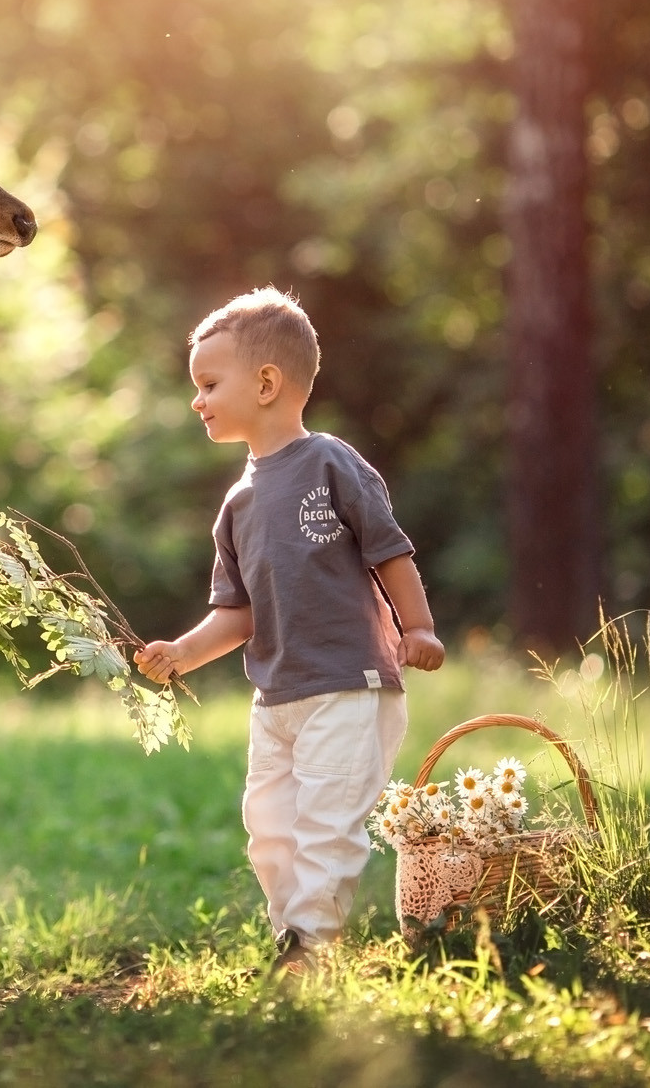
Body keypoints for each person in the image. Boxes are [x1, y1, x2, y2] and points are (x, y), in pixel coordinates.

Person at [137, 287, 444, 972]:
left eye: (210, 384)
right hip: (276, 696)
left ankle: (311, 943)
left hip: (348, 683)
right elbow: (238, 609)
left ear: (268, 382)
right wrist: (184, 652)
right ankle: (292, 939)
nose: (198, 400)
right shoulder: (239, 500)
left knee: (325, 824)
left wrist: (416, 626)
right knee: (269, 829)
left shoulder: (331, 462)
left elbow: (388, 550)